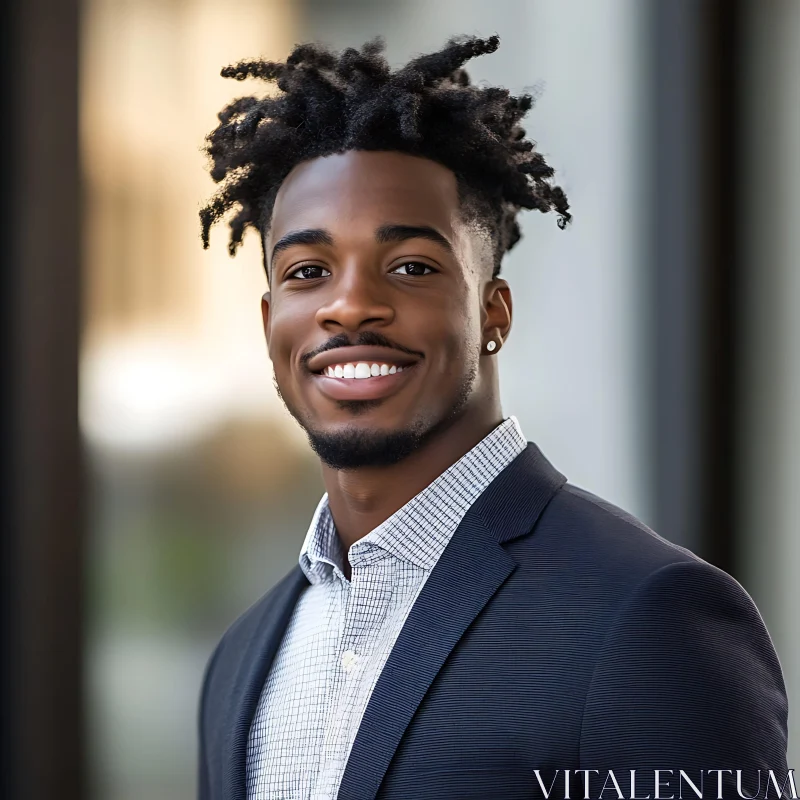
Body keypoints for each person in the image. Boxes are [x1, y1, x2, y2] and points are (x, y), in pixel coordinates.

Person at [196, 34, 788, 800]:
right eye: (309, 272)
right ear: (272, 322)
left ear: (492, 313)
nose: (348, 306)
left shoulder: (650, 618)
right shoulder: (241, 658)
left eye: (411, 267)